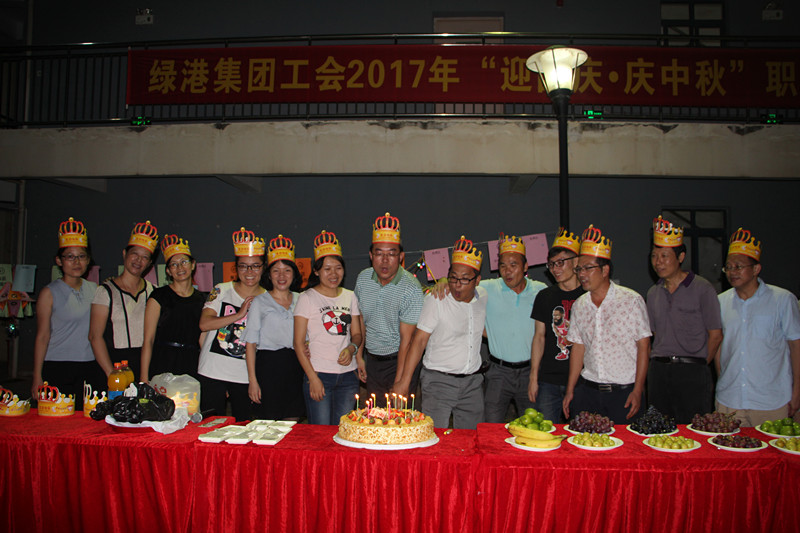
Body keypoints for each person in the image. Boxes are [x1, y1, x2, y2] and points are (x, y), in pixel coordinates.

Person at [395, 236, 487, 429]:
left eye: (465, 279)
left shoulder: (484, 297)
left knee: (471, 438)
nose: (457, 285)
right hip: (438, 382)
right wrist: (404, 381)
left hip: (473, 384)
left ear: (477, 281)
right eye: (453, 277)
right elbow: (419, 341)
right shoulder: (437, 299)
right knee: (435, 436)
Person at [563, 224, 651, 425]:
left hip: (624, 392)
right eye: (579, 269)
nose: (582, 274)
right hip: (588, 391)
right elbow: (578, 348)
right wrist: (570, 390)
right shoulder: (579, 305)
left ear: (605, 270)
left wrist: (638, 390)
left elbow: (644, 346)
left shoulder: (631, 300)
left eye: (588, 268)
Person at [716, 227, 800, 427]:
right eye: (729, 267)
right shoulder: (720, 302)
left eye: (739, 266)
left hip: (772, 401)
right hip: (730, 400)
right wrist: (722, 380)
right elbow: (718, 346)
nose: (732, 272)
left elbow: (796, 346)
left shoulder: (782, 300)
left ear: (756, 269)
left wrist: (797, 391)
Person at [646, 216, 722, 424]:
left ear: (681, 257)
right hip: (659, 370)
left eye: (664, 256)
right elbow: (654, 334)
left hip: (692, 371)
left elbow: (716, 335)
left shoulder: (702, 288)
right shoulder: (653, 293)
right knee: (659, 429)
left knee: (693, 429)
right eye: (654, 256)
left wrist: (698, 364)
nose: (658, 262)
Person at [293, 231, 364, 425]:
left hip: (348, 376)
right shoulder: (307, 298)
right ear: (316, 271)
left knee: (345, 430)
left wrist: (352, 349)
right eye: (327, 269)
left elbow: (357, 334)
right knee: (320, 433)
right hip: (319, 374)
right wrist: (312, 378)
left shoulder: (350, 296)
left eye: (338, 268)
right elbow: (298, 343)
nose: (334, 274)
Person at [32, 217, 102, 408]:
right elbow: (42, 336)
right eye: (70, 256)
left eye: (81, 256)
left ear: (88, 260)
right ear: (59, 260)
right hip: (57, 365)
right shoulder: (49, 293)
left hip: (89, 365)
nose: (76, 262)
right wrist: (37, 376)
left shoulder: (95, 289)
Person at [197, 227, 266, 421]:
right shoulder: (221, 290)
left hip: (245, 376)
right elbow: (204, 324)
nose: (249, 272)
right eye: (243, 266)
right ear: (236, 268)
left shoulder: (268, 299)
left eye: (255, 266)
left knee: (244, 428)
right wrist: (239, 314)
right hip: (212, 371)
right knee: (210, 427)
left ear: (263, 268)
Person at [354, 212, 424, 400]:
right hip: (372, 361)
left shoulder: (411, 288)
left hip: (400, 359)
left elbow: (407, 340)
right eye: (379, 253)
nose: (385, 260)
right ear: (371, 255)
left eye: (391, 254)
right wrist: (359, 357)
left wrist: (400, 381)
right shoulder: (363, 279)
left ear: (401, 256)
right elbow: (360, 320)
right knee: (376, 413)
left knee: (399, 414)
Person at [481, 235, 546, 423]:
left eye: (513, 265)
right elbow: (460, 285)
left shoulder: (540, 291)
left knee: (531, 426)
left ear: (525, 267)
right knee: (491, 427)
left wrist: (535, 375)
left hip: (530, 371)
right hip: (498, 372)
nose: (507, 271)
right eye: (502, 266)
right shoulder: (488, 288)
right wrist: (442, 283)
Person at [244, 234, 305, 420]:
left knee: (292, 421)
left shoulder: (302, 299)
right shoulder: (260, 302)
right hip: (268, 367)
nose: (281, 276)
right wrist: (252, 381)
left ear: (294, 273)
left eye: (287, 270)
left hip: (296, 366)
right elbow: (250, 345)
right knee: (268, 425)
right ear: (269, 275)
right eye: (276, 271)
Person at [89, 220, 158, 381]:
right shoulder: (105, 291)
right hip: (114, 365)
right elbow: (94, 337)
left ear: (149, 263)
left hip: (146, 364)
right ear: (124, 254)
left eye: (145, 257)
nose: (138, 260)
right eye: (134, 254)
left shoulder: (154, 292)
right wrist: (112, 374)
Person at [529, 227, 584, 423]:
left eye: (561, 262)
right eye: (551, 264)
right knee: (547, 431)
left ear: (576, 261)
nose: (555, 269)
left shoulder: (587, 296)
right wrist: (533, 377)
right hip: (549, 380)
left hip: (583, 380)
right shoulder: (545, 296)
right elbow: (539, 337)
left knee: (580, 433)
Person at [140, 234, 206, 383]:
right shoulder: (158, 296)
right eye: (174, 264)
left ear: (193, 265)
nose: (180, 268)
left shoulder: (203, 300)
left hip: (192, 365)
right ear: (168, 271)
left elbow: (204, 342)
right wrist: (144, 378)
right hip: (162, 363)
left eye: (184, 262)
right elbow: (148, 340)